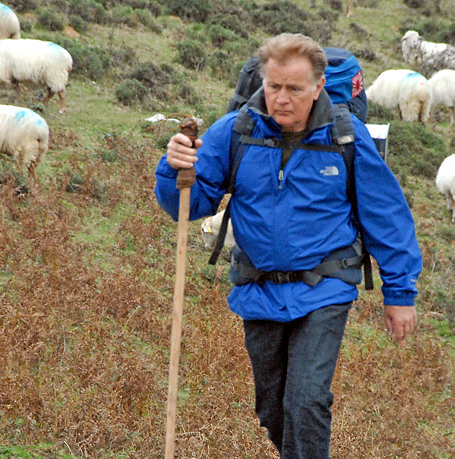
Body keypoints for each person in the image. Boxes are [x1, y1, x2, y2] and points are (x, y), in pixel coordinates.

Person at [154, 33, 422, 458]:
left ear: (318, 88)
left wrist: (400, 293)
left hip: (325, 286)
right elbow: (190, 204)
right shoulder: (236, 131)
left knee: (307, 400)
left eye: (294, 89)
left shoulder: (346, 138)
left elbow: (386, 217)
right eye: (273, 86)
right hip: (258, 288)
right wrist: (174, 169)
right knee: (273, 409)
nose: (281, 98)